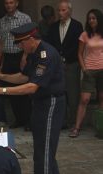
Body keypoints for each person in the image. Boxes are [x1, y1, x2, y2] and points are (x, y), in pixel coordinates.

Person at [0, 22, 67, 174]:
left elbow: (32, 86)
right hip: (39, 104)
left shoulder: (46, 55)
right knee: (45, 153)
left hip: (50, 103)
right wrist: (2, 77)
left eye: (21, 43)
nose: (20, 47)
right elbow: (24, 76)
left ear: (30, 39)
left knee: (43, 156)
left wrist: (2, 91)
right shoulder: (33, 52)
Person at [0, 0, 32, 130]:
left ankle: (28, 120)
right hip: (8, 58)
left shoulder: (25, 18)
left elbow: (29, 39)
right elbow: (0, 42)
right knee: (11, 91)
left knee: (24, 89)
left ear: (16, 4)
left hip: (21, 55)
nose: (8, 5)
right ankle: (19, 119)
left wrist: (25, 57)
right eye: (6, 3)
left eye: (11, 2)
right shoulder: (2, 21)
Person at [47, 0, 83, 128]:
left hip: (72, 64)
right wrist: (58, 59)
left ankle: (73, 121)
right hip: (57, 66)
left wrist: (64, 57)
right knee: (59, 93)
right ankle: (61, 121)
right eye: (59, 10)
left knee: (73, 94)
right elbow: (50, 44)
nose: (60, 13)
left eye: (63, 10)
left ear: (70, 11)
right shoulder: (53, 26)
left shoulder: (77, 26)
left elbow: (76, 46)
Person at [71, 9, 103, 137]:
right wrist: (84, 68)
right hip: (89, 69)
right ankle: (77, 128)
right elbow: (79, 53)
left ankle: (100, 128)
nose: (91, 21)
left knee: (102, 98)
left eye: (94, 18)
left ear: (99, 19)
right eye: (89, 18)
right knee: (85, 99)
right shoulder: (84, 34)